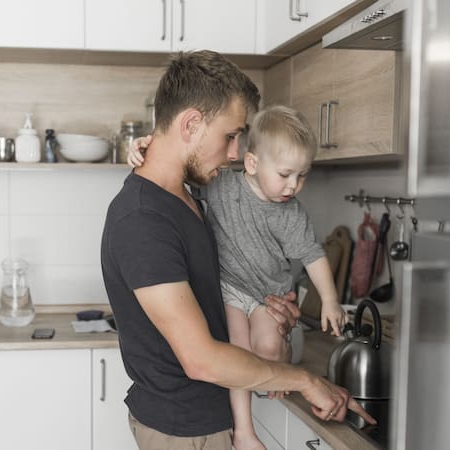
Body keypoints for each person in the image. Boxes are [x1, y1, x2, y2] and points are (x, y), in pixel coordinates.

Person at [101, 50, 374, 450]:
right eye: (230, 135)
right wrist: (307, 381)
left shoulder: (191, 197)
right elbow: (201, 359)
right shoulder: (143, 221)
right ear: (192, 123)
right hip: (183, 430)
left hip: (211, 416)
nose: (234, 153)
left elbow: (222, 299)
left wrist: (276, 316)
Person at [128, 105, 348, 449]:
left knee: (269, 347)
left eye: (302, 176)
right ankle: (244, 430)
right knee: (238, 349)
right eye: (286, 174)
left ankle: (276, 378)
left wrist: (331, 301)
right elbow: (172, 171)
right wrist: (146, 146)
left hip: (266, 297)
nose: (294, 186)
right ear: (252, 163)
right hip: (229, 290)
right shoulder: (222, 187)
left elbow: (313, 254)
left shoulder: (291, 214)